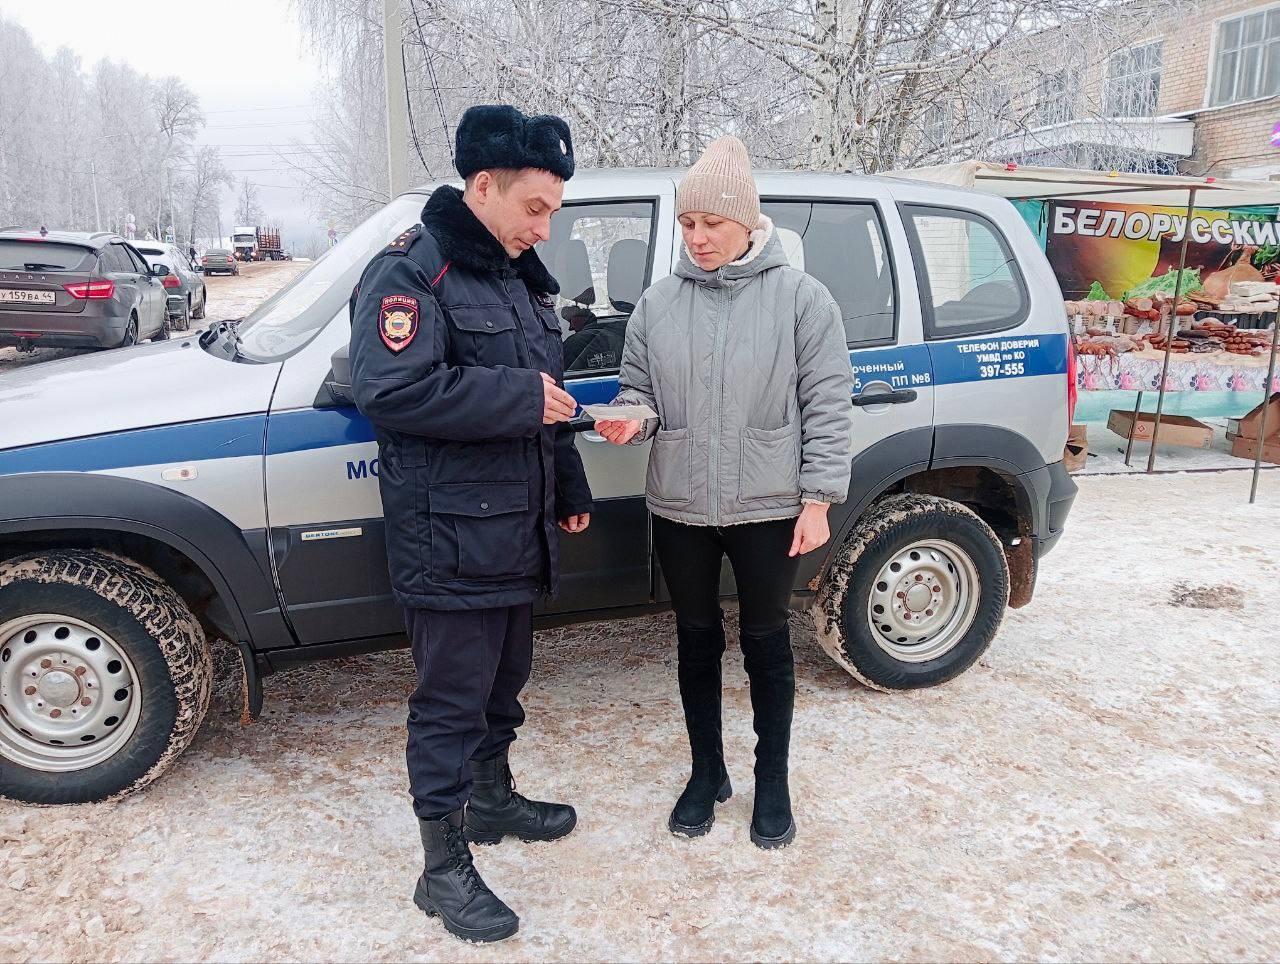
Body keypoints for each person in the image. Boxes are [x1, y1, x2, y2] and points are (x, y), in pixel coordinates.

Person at [348, 105, 593, 944]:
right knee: (451, 703)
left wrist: (568, 483)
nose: (545, 229)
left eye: (553, 211)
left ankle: (490, 800)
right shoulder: (413, 273)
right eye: (536, 208)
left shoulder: (517, 277)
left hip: (515, 529)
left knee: (502, 682)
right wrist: (521, 397)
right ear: (483, 186)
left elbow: (548, 398)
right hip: (449, 538)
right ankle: (441, 867)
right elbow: (394, 391)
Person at [596, 136, 853, 849]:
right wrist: (632, 420)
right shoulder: (657, 304)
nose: (698, 237)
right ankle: (707, 770)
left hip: (769, 505)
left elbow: (829, 404)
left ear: (747, 221)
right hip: (680, 505)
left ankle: (773, 779)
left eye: (712, 222)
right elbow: (640, 391)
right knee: (695, 638)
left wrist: (818, 499)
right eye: (688, 223)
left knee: (767, 640)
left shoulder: (802, 300)